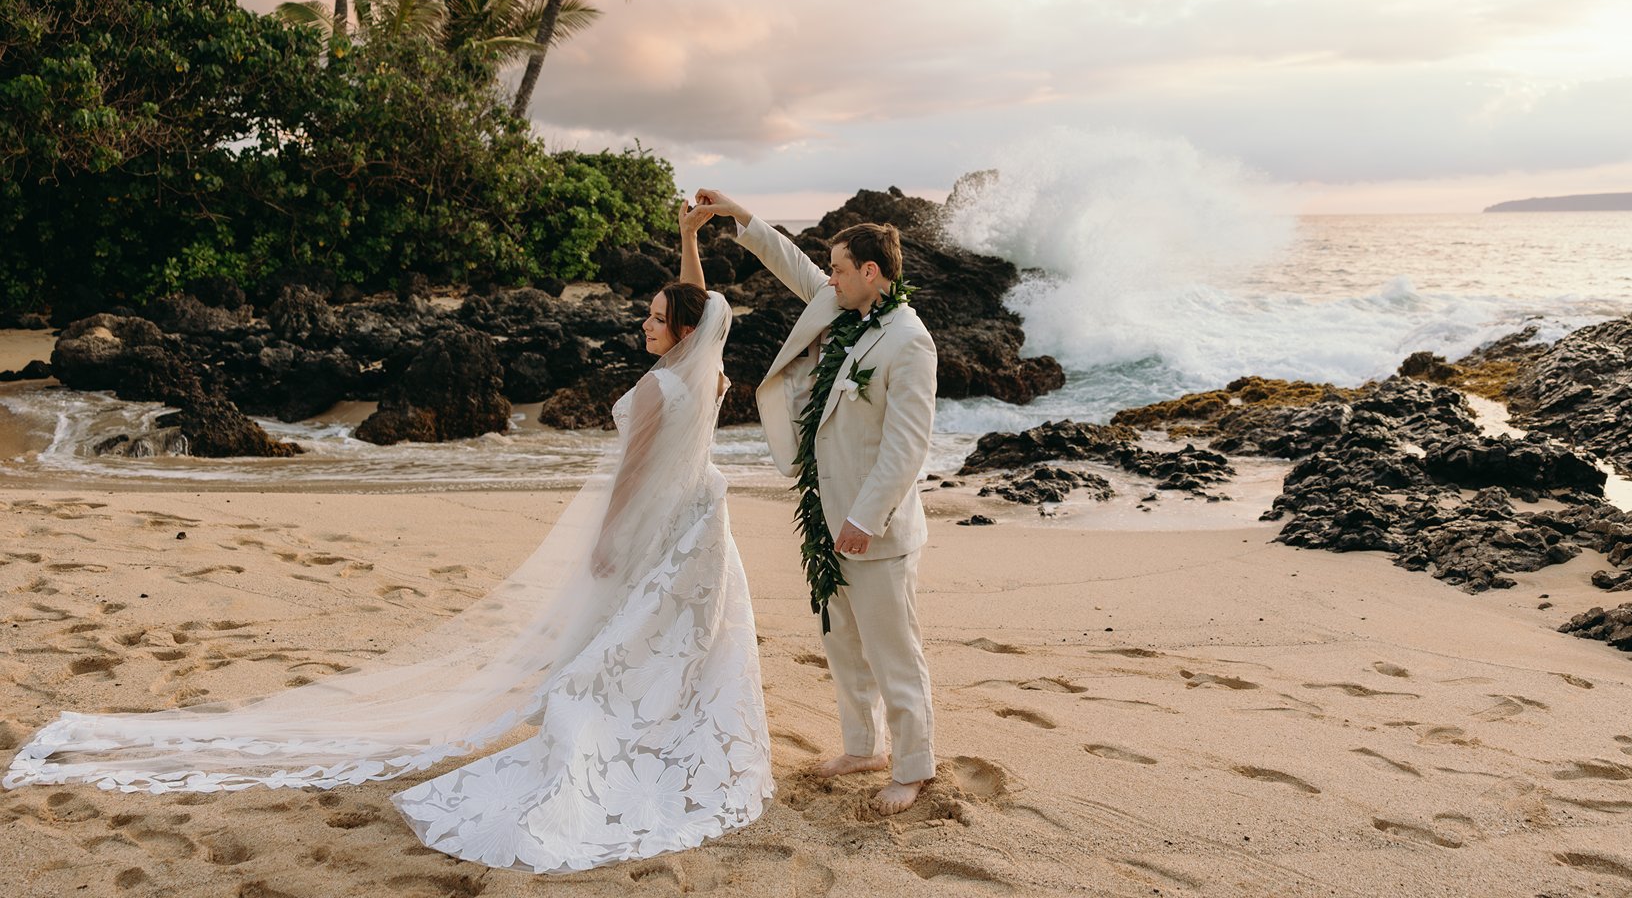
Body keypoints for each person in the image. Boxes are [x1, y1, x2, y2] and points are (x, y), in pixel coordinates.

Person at [2, 203, 771, 874]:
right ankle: (669, 731)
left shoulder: (655, 388)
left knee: (617, 636)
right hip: (701, 524)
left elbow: (630, 481)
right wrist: (688, 238)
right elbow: (706, 308)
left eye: (650, 315)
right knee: (674, 640)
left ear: (674, 330)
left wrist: (603, 541)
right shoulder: (706, 373)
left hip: (651, 527)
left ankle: (606, 735)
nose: (640, 321)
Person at [691, 189, 938, 815]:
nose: (828, 276)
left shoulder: (910, 342)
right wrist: (735, 214)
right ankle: (863, 746)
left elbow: (907, 446)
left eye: (839, 268)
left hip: (871, 525)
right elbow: (791, 262)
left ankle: (913, 767)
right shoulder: (840, 307)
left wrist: (865, 517)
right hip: (825, 513)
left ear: (870, 273)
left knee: (893, 650)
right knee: (844, 641)